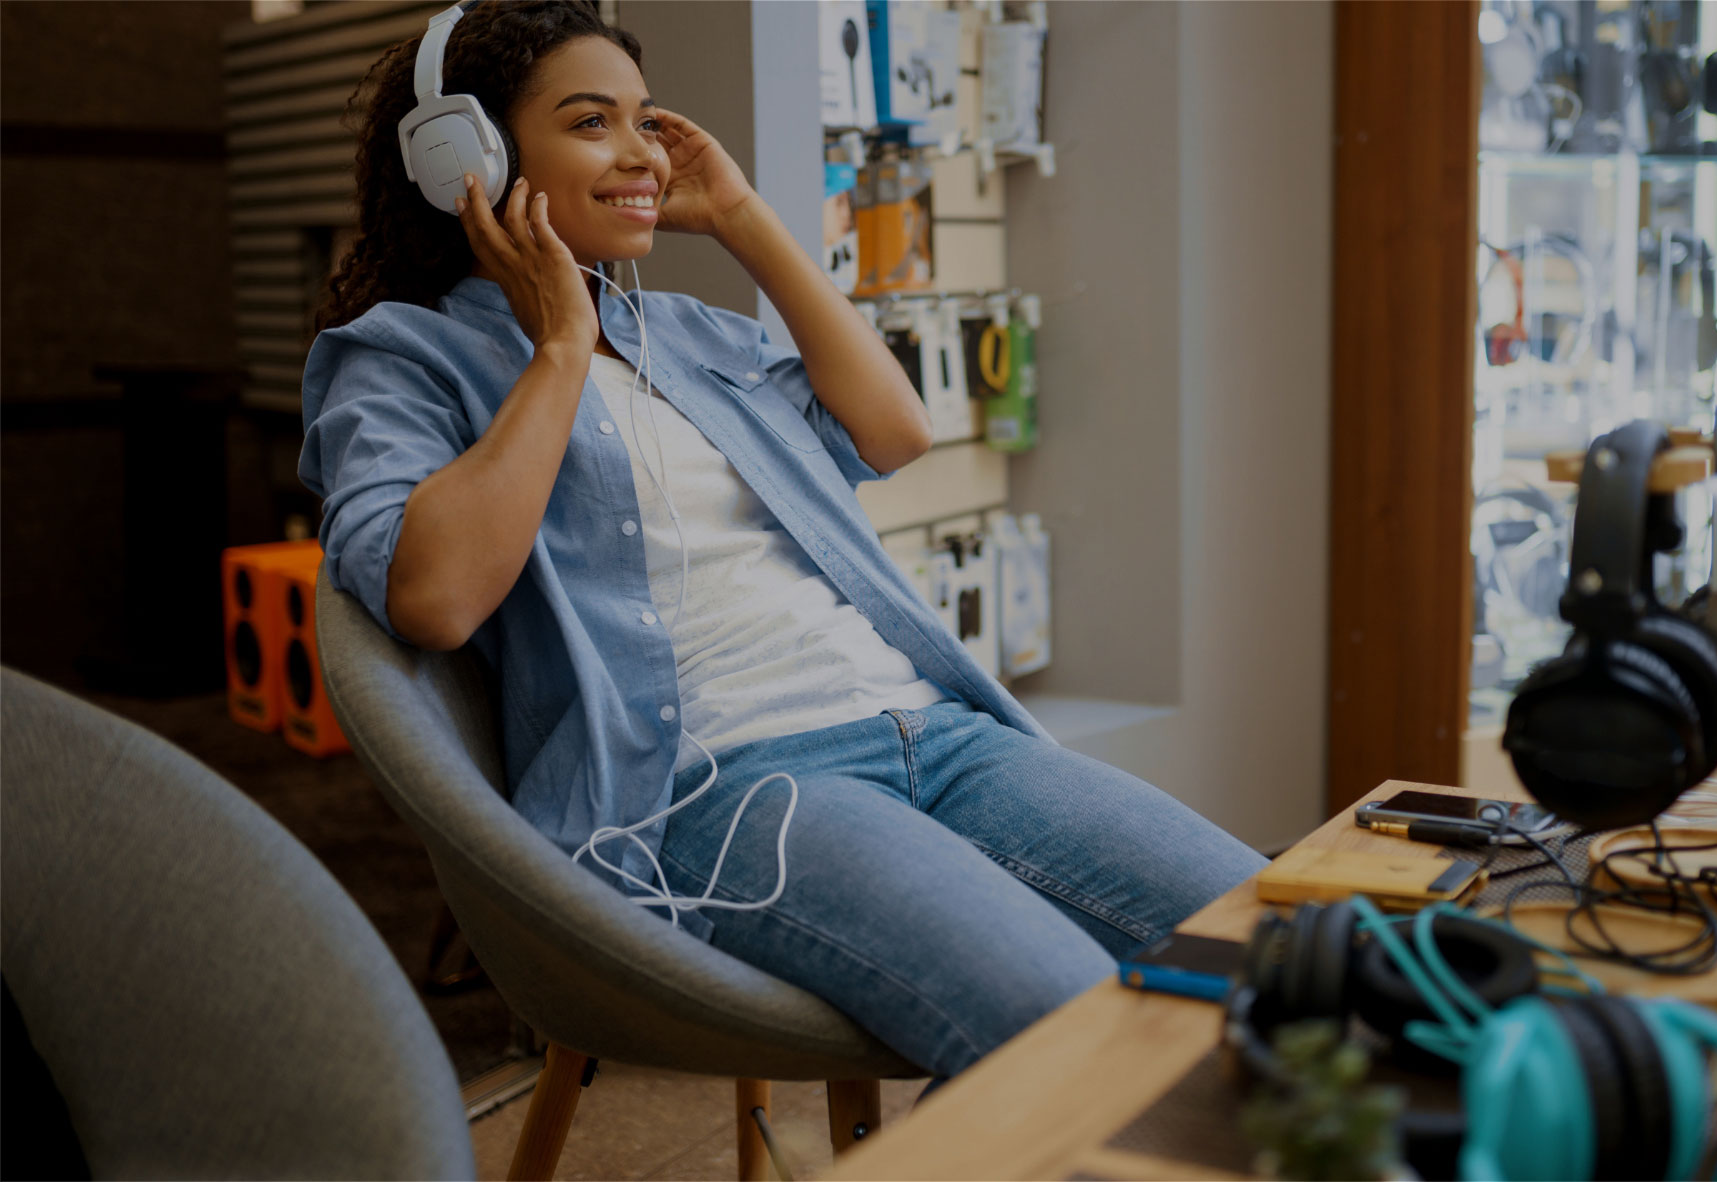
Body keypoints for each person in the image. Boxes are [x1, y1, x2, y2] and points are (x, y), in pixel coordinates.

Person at [302, 0, 1265, 1085]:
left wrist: (745, 216)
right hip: (732, 785)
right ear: (461, 156)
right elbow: (432, 595)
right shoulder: (397, 361)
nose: (639, 155)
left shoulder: (689, 334)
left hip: (937, 735)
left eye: (642, 120)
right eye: (590, 123)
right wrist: (560, 342)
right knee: (1073, 1039)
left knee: (1286, 949)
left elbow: (893, 430)